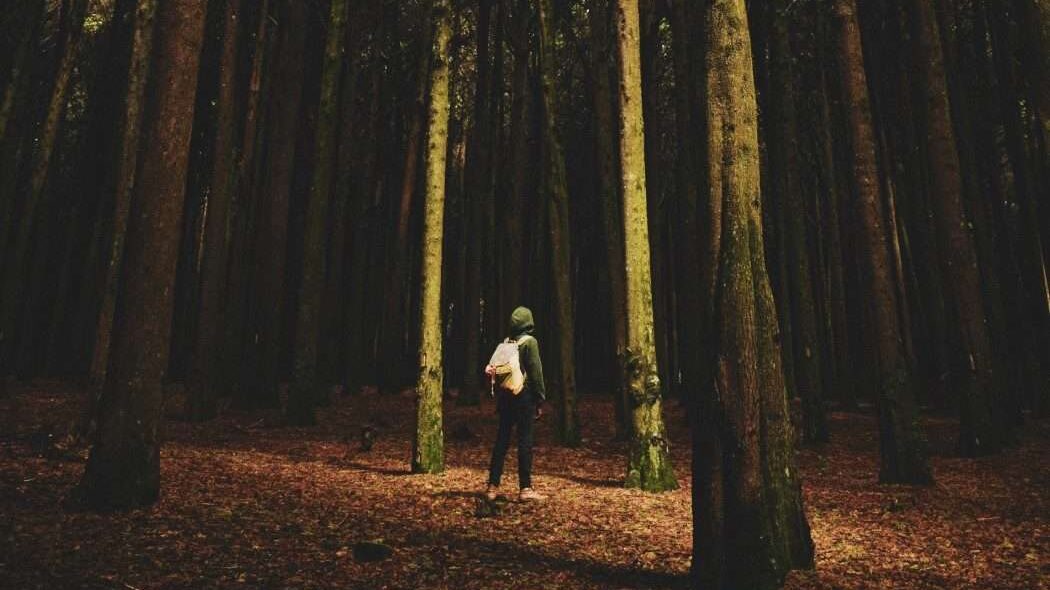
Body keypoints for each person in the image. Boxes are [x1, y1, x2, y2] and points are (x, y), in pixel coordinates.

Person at [485, 306, 546, 502]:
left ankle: (492, 487)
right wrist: (540, 398)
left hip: (505, 399)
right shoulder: (530, 343)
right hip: (524, 398)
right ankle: (526, 488)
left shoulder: (506, 343)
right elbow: (536, 373)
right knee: (524, 442)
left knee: (501, 442)